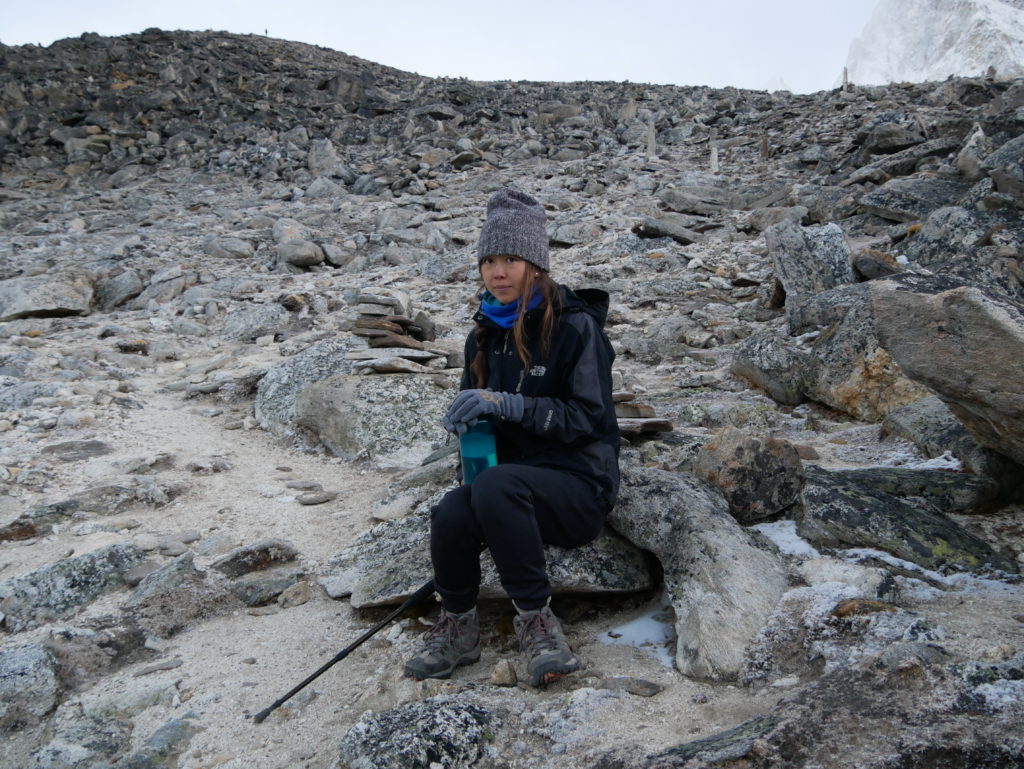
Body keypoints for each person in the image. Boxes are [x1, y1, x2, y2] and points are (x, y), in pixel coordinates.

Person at [404, 188, 620, 687]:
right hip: (510, 491)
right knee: (454, 509)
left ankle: (537, 623)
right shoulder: (482, 334)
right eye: (489, 260)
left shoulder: (576, 328)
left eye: (511, 259)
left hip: (577, 486)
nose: (498, 272)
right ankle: (458, 624)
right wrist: (469, 425)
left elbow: (588, 416)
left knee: (497, 487)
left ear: (536, 265)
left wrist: (508, 403)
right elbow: (483, 426)